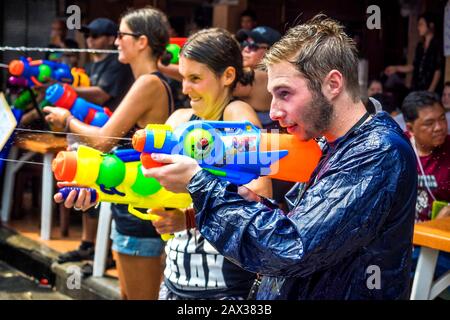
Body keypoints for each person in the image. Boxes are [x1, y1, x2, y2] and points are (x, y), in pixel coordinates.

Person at [142, 15, 418, 300]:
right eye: (273, 95)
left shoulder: (377, 151)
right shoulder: (331, 141)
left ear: (333, 84)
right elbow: (297, 222)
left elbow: (289, 248)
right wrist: (249, 200)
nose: (273, 112)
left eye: (285, 93)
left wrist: (200, 184)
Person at [44, 6, 173, 300]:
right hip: (132, 200)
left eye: (122, 35)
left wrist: (67, 120)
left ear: (142, 41)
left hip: (140, 205)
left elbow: (103, 141)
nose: (116, 42)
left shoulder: (149, 82)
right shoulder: (151, 80)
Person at [152, 28, 272, 300]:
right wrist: (96, 186)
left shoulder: (236, 115)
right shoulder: (179, 119)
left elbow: (259, 196)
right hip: (175, 282)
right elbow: (143, 179)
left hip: (226, 290)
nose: (185, 88)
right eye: (183, 77)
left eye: (195, 78)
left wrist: (188, 218)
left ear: (228, 76)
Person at [56, 18, 135, 267]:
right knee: (89, 188)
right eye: (87, 36)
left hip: (113, 138)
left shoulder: (117, 64)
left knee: (109, 195)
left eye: (96, 36)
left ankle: (104, 253)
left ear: (111, 38)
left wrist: (66, 93)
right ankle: (89, 246)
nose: (90, 40)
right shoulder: (93, 64)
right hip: (92, 134)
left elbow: (102, 95)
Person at [401, 91, 450, 285]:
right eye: (429, 123)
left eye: (442, 119)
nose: (439, 128)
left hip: (437, 242)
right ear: (411, 128)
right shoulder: (398, 148)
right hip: (403, 239)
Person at [385, 13, 443, 93]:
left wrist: (430, 91)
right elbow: (413, 66)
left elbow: (438, 70)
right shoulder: (420, 46)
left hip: (430, 89)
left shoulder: (437, 45)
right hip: (417, 87)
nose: (418, 27)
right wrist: (396, 68)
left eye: (421, 24)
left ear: (430, 25)